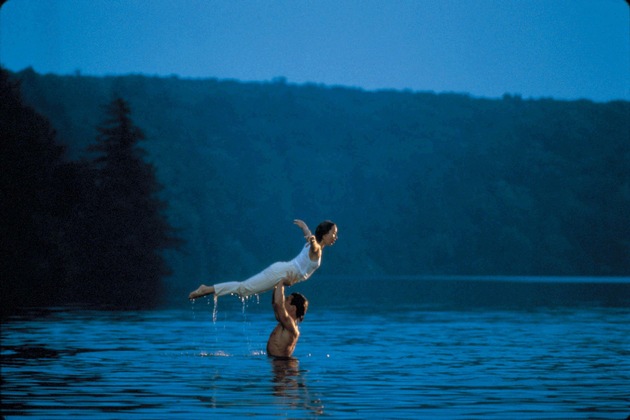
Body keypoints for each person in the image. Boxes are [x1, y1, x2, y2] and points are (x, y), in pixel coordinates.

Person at [188, 219, 337, 300]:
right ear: (324, 234)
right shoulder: (315, 249)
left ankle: (209, 289)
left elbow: (310, 236)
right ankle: (207, 289)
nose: (335, 237)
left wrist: (304, 227)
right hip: (282, 272)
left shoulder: (313, 245)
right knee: (243, 289)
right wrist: (310, 238)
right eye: (333, 233)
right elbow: (314, 245)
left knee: (244, 290)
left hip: (283, 272)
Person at [266, 277, 308, 358]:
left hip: (283, 366)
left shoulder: (290, 326)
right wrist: (278, 283)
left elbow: (279, 304)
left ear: (293, 308)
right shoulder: (283, 321)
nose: (284, 300)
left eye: (287, 299)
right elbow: (275, 303)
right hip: (277, 362)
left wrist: (281, 280)